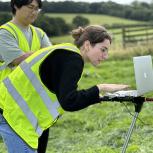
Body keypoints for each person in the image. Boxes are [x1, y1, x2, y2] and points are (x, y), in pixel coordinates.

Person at [0, 25, 129, 153]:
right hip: (13, 115)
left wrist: (99, 96)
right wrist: (101, 87)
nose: (106, 56)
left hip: (9, 109)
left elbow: (65, 94)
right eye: (103, 50)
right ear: (88, 44)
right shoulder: (73, 59)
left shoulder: (66, 51)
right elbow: (69, 101)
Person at [0, 0, 51, 152]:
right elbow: (18, 59)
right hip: (10, 104)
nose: (34, 12)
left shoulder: (39, 33)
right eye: (30, 7)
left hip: (35, 103)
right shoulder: (5, 33)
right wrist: (44, 54)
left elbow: (52, 59)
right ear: (16, 6)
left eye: (37, 9)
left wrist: (44, 55)